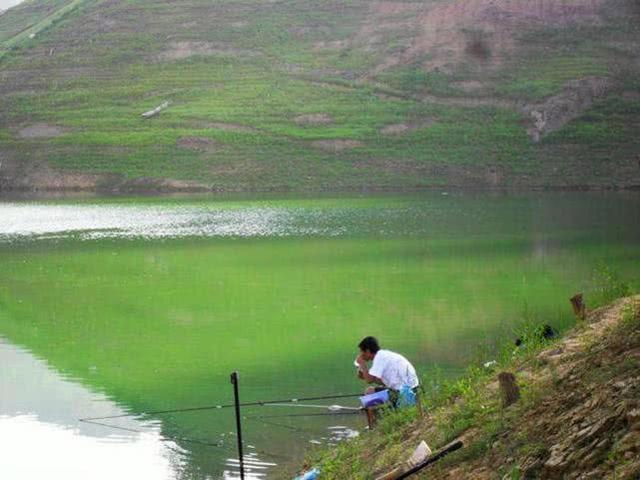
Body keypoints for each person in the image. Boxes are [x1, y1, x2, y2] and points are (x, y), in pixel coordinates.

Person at [355, 336, 419, 396]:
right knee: (371, 391)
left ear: (368, 351)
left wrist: (362, 364)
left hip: (405, 391)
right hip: (413, 388)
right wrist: (364, 376)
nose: (360, 354)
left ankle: (374, 408)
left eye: (361, 351)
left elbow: (369, 380)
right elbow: (382, 381)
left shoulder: (379, 357)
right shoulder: (383, 355)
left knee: (370, 393)